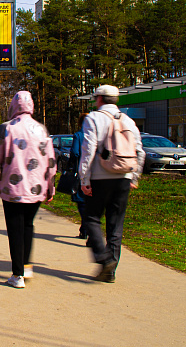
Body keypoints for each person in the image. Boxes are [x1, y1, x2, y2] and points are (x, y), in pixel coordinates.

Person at [0, 91, 57, 289]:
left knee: (15, 229)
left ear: (13, 106)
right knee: (28, 226)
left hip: (13, 188)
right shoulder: (41, 129)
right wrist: (51, 186)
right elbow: (51, 161)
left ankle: (17, 275)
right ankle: (26, 266)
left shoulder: (5, 129)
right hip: (36, 188)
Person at [78, 85, 145, 283]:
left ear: (99, 99)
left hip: (100, 177)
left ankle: (103, 258)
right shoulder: (129, 121)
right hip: (123, 177)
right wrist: (134, 177)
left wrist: (84, 178)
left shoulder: (93, 118)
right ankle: (111, 270)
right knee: (116, 224)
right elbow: (140, 151)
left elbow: (88, 150)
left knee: (91, 218)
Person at [69, 113, 88, 239]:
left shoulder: (78, 135)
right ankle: (86, 228)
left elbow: (75, 152)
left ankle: (85, 227)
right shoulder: (96, 135)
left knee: (81, 200)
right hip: (95, 172)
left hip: (81, 171)